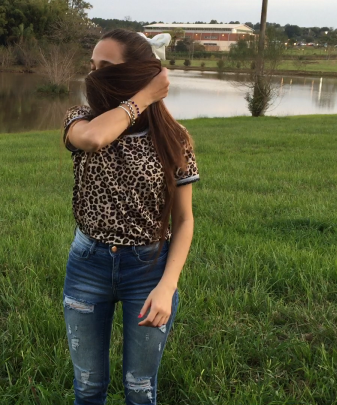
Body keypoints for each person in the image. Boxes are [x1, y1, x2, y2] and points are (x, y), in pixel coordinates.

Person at [61, 29, 199, 405]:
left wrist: (167, 286)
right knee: (88, 386)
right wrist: (146, 96)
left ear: (138, 72)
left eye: (105, 67)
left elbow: (184, 221)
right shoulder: (81, 120)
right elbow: (94, 140)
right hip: (88, 264)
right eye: (91, 66)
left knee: (140, 390)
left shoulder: (174, 137)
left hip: (148, 268)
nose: (93, 75)